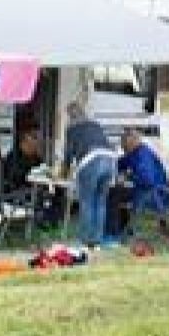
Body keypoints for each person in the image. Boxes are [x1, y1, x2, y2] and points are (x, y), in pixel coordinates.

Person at [62, 99, 117, 247]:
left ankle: (85, 241)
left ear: (70, 116)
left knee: (86, 201)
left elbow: (68, 154)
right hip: (110, 159)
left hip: (91, 160)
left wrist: (63, 173)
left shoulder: (71, 128)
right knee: (100, 201)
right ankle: (97, 241)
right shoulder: (96, 124)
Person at [117, 128, 169, 241]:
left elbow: (147, 180)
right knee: (118, 193)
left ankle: (121, 229)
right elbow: (122, 162)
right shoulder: (135, 153)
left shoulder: (143, 155)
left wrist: (128, 177)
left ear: (131, 143)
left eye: (124, 145)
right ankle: (124, 228)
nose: (123, 148)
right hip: (150, 191)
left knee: (116, 195)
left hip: (157, 194)